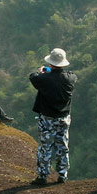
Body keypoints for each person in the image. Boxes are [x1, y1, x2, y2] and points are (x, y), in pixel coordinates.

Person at [29, 48, 77, 185]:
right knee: (62, 145)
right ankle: (62, 174)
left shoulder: (44, 79)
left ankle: (43, 175)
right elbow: (71, 74)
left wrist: (41, 71)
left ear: (51, 63)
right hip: (64, 117)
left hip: (47, 118)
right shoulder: (70, 79)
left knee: (45, 146)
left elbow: (33, 77)